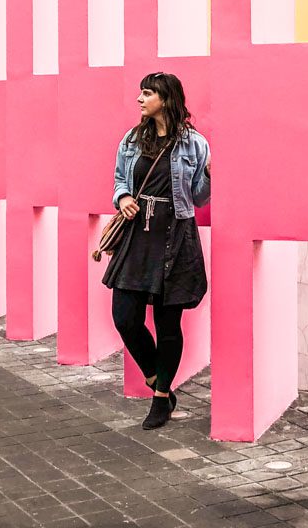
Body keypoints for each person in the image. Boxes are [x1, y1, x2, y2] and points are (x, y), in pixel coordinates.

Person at [103, 71, 211, 430]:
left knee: (168, 324)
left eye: (147, 93)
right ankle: (154, 377)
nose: (140, 99)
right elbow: (120, 178)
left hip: (175, 235)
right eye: (141, 93)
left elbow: (198, 197)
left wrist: (209, 176)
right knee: (125, 318)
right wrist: (124, 197)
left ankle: (162, 397)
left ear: (165, 98)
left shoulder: (194, 144)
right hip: (138, 236)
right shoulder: (133, 140)